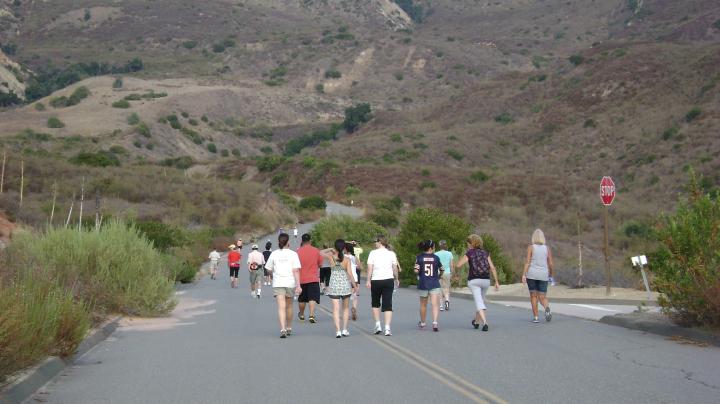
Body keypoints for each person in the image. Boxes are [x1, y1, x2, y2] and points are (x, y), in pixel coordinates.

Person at [455, 234, 500, 331]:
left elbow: (458, 265)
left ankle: (485, 323)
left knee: (479, 302)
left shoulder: (470, 253)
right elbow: (492, 267)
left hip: (474, 280)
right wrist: (496, 281)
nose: (467, 245)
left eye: (468, 243)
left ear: (471, 243)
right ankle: (476, 321)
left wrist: (456, 266)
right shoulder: (486, 253)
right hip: (486, 281)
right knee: (481, 300)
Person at [265, 233, 302, 338]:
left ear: (279, 242)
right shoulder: (293, 254)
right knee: (289, 306)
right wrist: (298, 285)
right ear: (288, 242)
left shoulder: (274, 254)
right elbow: (296, 271)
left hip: (278, 283)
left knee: (281, 307)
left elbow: (268, 269)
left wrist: (273, 275)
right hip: (290, 283)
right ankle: (289, 327)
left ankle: (282, 329)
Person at [322, 239, 357, 338]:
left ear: (335, 247)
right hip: (345, 286)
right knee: (345, 309)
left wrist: (330, 249)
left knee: (336, 310)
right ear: (344, 248)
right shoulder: (347, 260)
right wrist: (355, 286)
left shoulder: (331, 257)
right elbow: (350, 274)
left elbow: (320, 252)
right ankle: (345, 329)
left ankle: (338, 331)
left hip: (334, 286)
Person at [366, 235, 399, 336]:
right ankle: (387, 328)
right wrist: (396, 278)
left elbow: (370, 268)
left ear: (380, 242)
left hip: (376, 280)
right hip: (388, 280)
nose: (374, 243)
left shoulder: (372, 253)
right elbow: (394, 268)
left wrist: (368, 280)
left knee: (375, 303)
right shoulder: (391, 254)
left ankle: (378, 325)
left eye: (375, 241)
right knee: (387, 303)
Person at [522, 229, 554, 323]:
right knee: (542, 296)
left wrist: (524, 274)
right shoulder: (547, 248)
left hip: (532, 274)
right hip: (544, 274)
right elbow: (551, 263)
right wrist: (551, 275)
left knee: (533, 296)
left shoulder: (531, 247)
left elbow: (527, 262)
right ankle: (547, 308)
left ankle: (536, 317)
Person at [414, 240, 443, 332]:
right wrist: (439, 276)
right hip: (434, 282)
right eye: (434, 247)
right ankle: (435, 323)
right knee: (435, 304)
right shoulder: (436, 258)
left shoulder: (419, 257)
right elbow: (442, 269)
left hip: (423, 283)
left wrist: (418, 274)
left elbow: (416, 270)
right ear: (431, 248)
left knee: (423, 305)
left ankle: (423, 323)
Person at [296, 234, 323, 323]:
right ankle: (311, 315)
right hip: (313, 278)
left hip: (301, 279)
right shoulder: (316, 251)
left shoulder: (298, 251)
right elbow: (320, 264)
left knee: (302, 299)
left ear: (302, 241)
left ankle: (302, 314)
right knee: (312, 298)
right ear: (310, 241)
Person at [345, 243, 363, 321]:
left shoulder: (343, 257)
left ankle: (347, 314)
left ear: (345, 249)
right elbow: (360, 267)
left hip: (345, 278)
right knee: (354, 297)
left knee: (346, 297)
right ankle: (354, 308)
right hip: (354, 279)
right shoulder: (354, 257)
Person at [435, 240, 454, 311]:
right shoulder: (450, 253)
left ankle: (441, 306)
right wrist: (452, 273)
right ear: (445, 245)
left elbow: (435, 265)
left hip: (439, 273)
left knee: (439, 289)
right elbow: (451, 265)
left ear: (439, 246)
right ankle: (447, 301)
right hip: (447, 273)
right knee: (446, 288)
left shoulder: (436, 254)